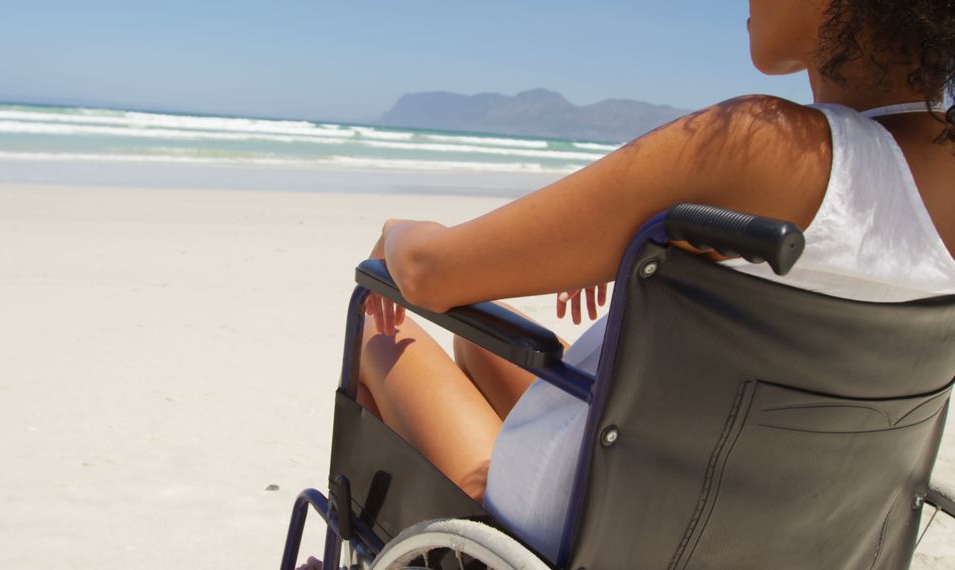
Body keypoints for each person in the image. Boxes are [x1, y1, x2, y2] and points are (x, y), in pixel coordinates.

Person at [356, 0, 955, 560]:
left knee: (375, 332)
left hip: (586, 534)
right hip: (787, 537)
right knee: (475, 342)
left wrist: (399, 229)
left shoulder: (772, 144)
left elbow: (429, 271)